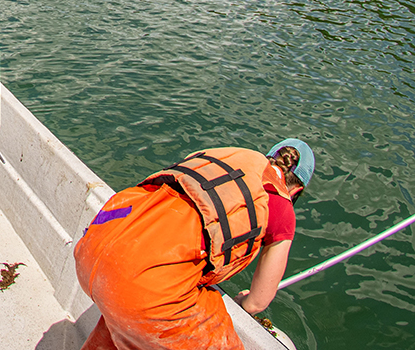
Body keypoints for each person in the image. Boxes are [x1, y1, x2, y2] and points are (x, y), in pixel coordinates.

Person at [73, 138, 317, 350]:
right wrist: (245, 301)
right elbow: (258, 301)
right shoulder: (282, 208)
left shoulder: (228, 157)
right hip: (141, 289)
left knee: (125, 312)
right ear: (297, 191)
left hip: (93, 248)